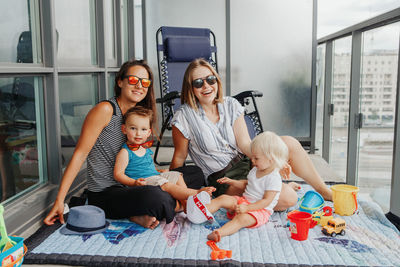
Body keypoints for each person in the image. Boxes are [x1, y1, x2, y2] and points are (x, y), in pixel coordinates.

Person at [44, 59, 204, 229]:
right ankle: (177, 204)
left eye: (145, 82)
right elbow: (80, 155)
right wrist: (60, 200)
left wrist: (157, 172)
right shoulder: (106, 110)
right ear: (120, 81)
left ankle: (142, 212)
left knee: (195, 173)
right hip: (108, 192)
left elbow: (138, 161)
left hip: (137, 183)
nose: (139, 86)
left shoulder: (140, 116)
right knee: (158, 197)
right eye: (133, 80)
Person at [170, 58, 332, 210]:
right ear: (190, 88)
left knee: (289, 142)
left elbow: (245, 144)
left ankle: (323, 190)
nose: (206, 86)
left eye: (210, 79)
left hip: (249, 160)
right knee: (288, 198)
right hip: (224, 179)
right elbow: (179, 158)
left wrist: (270, 156)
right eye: (198, 83)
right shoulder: (183, 117)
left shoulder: (231, 104)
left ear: (217, 81)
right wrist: (175, 192)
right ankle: (278, 185)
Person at [187, 131, 287, 242]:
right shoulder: (255, 170)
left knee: (241, 219)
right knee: (224, 198)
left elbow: (266, 201)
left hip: (259, 210)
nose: (252, 160)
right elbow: (247, 184)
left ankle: (219, 232)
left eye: (256, 158)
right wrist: (232, 181)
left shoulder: (273, 178)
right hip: (244, 201)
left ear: (271, 159)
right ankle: (200, 211)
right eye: (252, 157)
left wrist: (247, 208)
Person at [114, 106, 215, 201]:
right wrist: (134, 183)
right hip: (143, 182)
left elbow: (146, 167)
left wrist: (159, 170)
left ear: (149, 132)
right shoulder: (125, 152)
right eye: (133, 128)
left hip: (154, 176)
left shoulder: (144, 148)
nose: (138, 133)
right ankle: (195, 193)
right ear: (124, 129)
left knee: (177, 176)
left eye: (143, 129)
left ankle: (185, 205)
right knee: (167, 185)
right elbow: (118, 174)